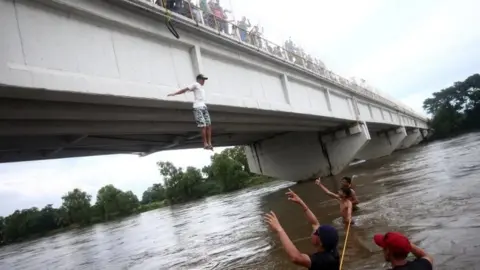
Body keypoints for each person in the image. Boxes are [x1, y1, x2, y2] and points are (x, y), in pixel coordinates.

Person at [264, 189, 340, 270]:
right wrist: (301, 203)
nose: (314, 231)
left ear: (320, 242)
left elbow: (296, 258)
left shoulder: (323, 260)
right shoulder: (331, 249)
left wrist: (279, 229)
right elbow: (315, 223)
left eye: (316, 233)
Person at [167, 74, 213, 150]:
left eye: (204, 80)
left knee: (209, 125)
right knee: (203, 126)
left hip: (204, 107)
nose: (204, 81)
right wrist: (174, 94)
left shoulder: (201, 88)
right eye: (203, 79)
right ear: (199, 79)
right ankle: (205, 143)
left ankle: (209, 143)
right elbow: (184, 90)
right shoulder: (195, 84)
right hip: (197, 107)